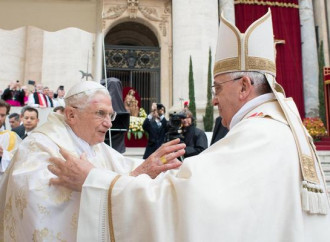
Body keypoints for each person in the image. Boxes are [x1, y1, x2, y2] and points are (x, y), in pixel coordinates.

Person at [47, 10, 330, 241]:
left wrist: (95, 181)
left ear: (244, 86)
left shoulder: (259, 134)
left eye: (217, 88)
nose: (215, 100)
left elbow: (185, 205)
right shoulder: (275, 126)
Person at [1, 81, 185, 241]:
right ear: (71, 115)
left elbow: (125, 167)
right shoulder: (40, 146)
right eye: (100, 113)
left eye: (110, 115)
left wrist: (150, 167)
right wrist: (130, 179)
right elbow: (39, 207)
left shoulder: (94, 144)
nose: (109, 123)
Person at [0, 100, 21, 173]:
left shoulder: (12, 137)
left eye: (2, 115)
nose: (0, 118)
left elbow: (20, 162)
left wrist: (3, 154)